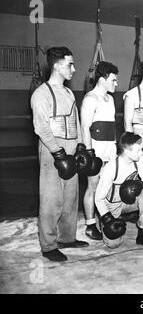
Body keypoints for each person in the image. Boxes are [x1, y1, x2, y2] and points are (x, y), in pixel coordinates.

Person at [30, 46, 89, 262]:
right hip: (52, 150)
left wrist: (80, 145)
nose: (74, 68)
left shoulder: (68, 92)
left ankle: (67, 237)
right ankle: (48, 245)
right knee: (51, 199)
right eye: (70, 64)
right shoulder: (41, 94)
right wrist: (57, 153)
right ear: (57, 65)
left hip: (71, 147)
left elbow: (76, 121)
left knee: (70, 197)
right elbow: (41, 127)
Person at [94, 132, 143, 249]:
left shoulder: (139, 160)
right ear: (127, 151)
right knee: (113, 244)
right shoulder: (111, 168)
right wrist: (107, 218)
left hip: (131, 202)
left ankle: (142, 234)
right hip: (113, 205)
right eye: (138, 150)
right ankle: (106, 219)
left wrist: (140, 184)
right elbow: (98, 199)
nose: (141, 153)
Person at [80, 61, 119, 240]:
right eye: (113, 80)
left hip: (110, 148)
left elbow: (111, 127)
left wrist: (115, 149)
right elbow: (85, 128)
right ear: (103, 79)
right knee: (93, 188)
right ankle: (90, 225)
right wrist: (89, 154)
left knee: (108, 186)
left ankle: (106, 218)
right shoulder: (90, 99)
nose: (116, 84)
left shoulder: (110, 99)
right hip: (95, 150)